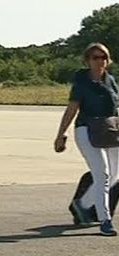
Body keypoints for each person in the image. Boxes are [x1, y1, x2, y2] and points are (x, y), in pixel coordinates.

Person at [54, 42, 119, 236]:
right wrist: (60, 134)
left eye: (103, 57)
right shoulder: (81, 81)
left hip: (109, 130)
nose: (100, 61)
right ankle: (105, 220)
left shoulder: (111, 80)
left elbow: (116, 109)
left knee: (115, 173)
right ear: (87, 60)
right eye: (95, 57)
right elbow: (72, 108)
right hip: (86, 129)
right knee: (102, 174)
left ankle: (82, 204)